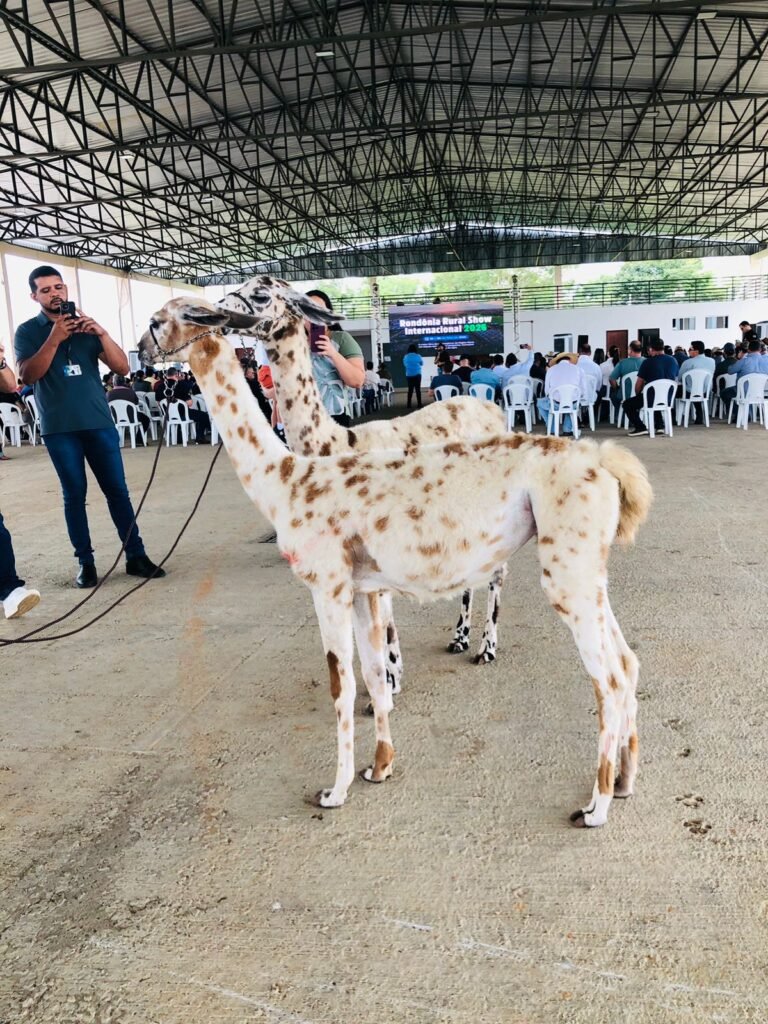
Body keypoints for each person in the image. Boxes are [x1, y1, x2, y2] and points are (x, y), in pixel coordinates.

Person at [14, 265, 165, 588]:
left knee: (118, 492)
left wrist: (102, 334)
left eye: (58, 287)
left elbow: (122, 367)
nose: (55, 294)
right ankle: (86, 562)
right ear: (34, 296)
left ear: (66, 289)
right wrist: (54, 339)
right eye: (45, 290)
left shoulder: (86, 327)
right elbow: (27, 375)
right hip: (60, 429)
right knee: (74, 496)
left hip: (99, 423)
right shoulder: (27, 332)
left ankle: (136, 555)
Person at [304, 290, 365, 427]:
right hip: (301, 418)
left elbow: (357, 381)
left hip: (334, 415)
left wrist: (333, 353)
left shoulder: (341, 339)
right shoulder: (293, 344)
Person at [622, 338, 679, 436]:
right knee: (654, 396)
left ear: (651, 349)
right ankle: (659, 427)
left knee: (627, 404)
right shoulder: (673, 361)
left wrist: (638, 394)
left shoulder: (648, 362)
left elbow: (639, 384)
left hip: (651, 397)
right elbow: (675, 378)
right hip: (668, 398)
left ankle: (640, 428)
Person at [536, 352, 585, 435]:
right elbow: (583, 391)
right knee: (573, 404)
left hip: (556, 404)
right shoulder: (579, 370)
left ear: (557, 361)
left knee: (540, 403)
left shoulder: (551, 370)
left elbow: (547, 391)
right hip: (572, 403)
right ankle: (567, 430)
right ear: (570, 360)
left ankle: (552, 428)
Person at [107, 374, 151, 439]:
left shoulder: (108, 394)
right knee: (146, 419)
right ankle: (139, 439)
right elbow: (136, 403)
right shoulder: (130, 392)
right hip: (131, 417)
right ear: (124, 382)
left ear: (114, 382)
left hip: (114, 418)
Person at [609, 341, 644, 414]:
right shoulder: (647, 362)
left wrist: (616, 388)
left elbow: (611, 379)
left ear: (630, 350)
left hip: (624, 395)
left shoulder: (622, 363)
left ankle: (622, 415)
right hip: (642, 396)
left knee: (613, 395)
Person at [402, 343, 424, 410]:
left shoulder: (406, 357)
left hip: (409, 375)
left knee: (410, 390)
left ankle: (409, 404)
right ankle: (419, 404)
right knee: (418, 390)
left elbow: (405, 365)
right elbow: (422, 364)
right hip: (417, 374)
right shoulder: (418, 356)